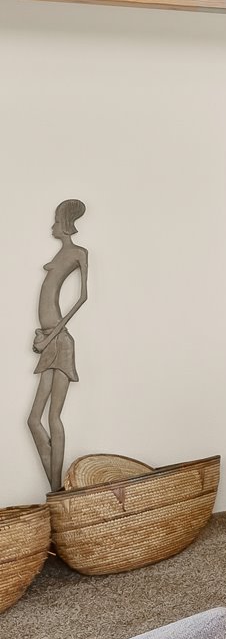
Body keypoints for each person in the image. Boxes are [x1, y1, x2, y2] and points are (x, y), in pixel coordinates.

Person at [30, 199, 88, 492]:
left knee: (53, 416)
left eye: (55, 222)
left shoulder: (79, 253)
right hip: (49, 338)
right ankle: (56, 489)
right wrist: (42, 338)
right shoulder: (61, 252)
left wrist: (50, 337)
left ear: (64, 225)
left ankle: (55, 492)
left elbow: (83, 298)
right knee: (33, 420)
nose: (52, 227)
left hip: (60, 342)